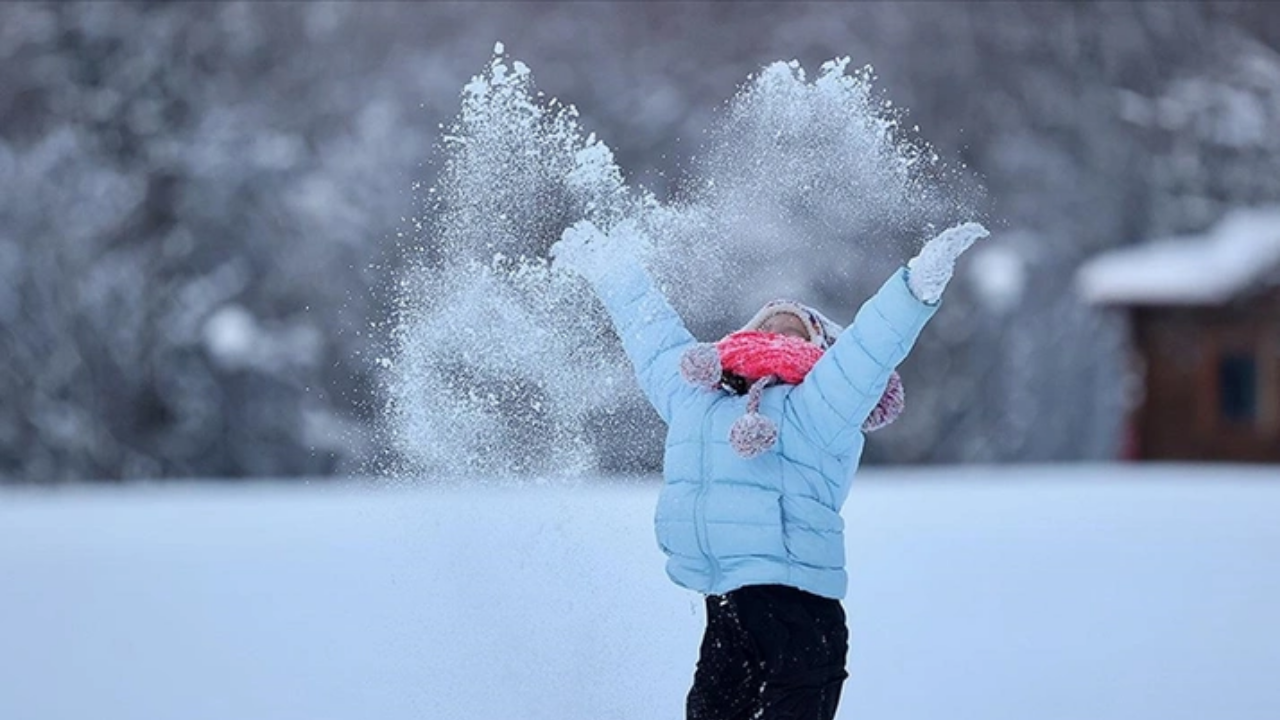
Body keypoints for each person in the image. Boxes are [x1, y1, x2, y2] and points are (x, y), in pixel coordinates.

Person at [550, 219, 988, 720]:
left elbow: (868, 350)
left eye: (796, 328)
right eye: (767, 324)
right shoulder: (697, 396)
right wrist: (612, 271)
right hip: (727, 608)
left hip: (801, 613)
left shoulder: (820, 404)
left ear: (822, 351)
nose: (778, 329)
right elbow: (652, 336)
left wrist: (914, 288)